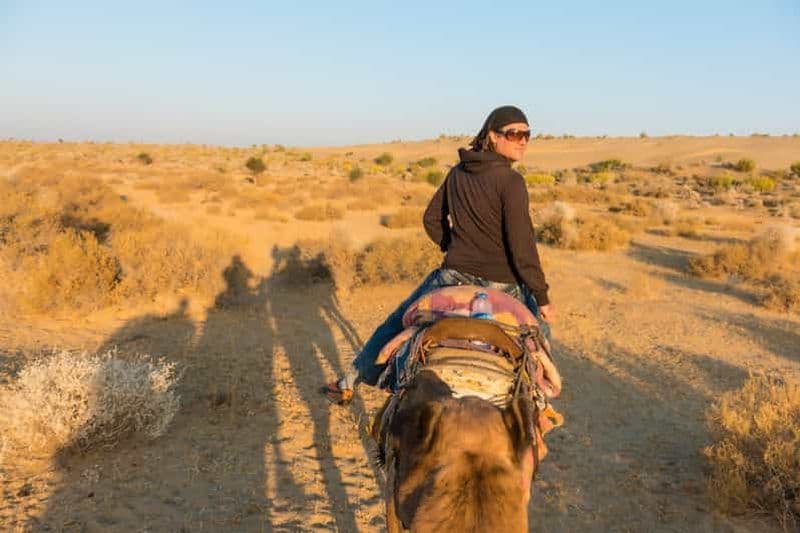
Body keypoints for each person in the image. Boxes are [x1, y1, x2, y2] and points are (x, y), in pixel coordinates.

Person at [322, 105, 553, 404]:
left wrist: (454, 247)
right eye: (514, 134)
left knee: (396, 325)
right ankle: (539, 403)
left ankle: (348, 382)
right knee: (540, 339)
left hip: (452, 277)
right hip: (501, 283)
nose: (522, 140)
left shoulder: (457, 173)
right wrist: (542, 297)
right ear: (493, 137)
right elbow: (523, 248)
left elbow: (431, 219)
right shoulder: (511, 182)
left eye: (527, 134)